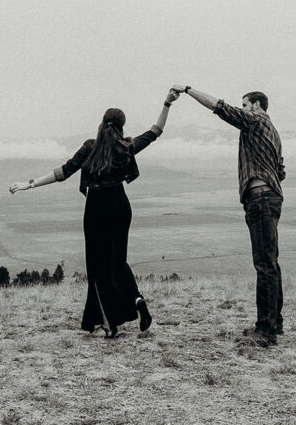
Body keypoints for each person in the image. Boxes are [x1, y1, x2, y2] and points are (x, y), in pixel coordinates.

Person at [9, 90, 178, 337]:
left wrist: (29, 183)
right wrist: (167, 103)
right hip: (120, 205)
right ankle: (136, 299)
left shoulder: (90, 147)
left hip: (97, 207)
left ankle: (108, 324)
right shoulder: (127, 146)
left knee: (97, 267)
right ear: (122, 126)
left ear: (102, 123)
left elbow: (63, 172)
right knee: (118, 261)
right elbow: (156, 131)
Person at [170, 84, 285, 347]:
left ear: (256, 106)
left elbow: (221, 109)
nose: (242, 108)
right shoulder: (274, 132)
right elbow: (281, 170)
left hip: (260, 198)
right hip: (271, 197)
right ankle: (274, 323)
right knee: (271, 262)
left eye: (244, 104)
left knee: (264, 264)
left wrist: (189, 90)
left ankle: (266, 330)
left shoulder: (255, 121)